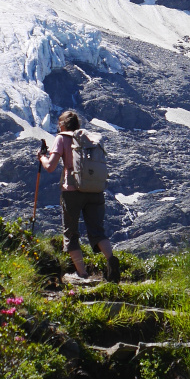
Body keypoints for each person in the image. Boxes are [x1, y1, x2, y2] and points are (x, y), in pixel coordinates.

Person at [39, 110, 121, 282]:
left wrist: (42, 157)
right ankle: (111, 259)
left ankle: (83, 274)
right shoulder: (89, 139)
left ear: (61, 125)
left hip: (72, 190)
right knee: (97, 230)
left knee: (71, 233)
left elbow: (50, 167)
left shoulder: (61, 138)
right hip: (95, 190)